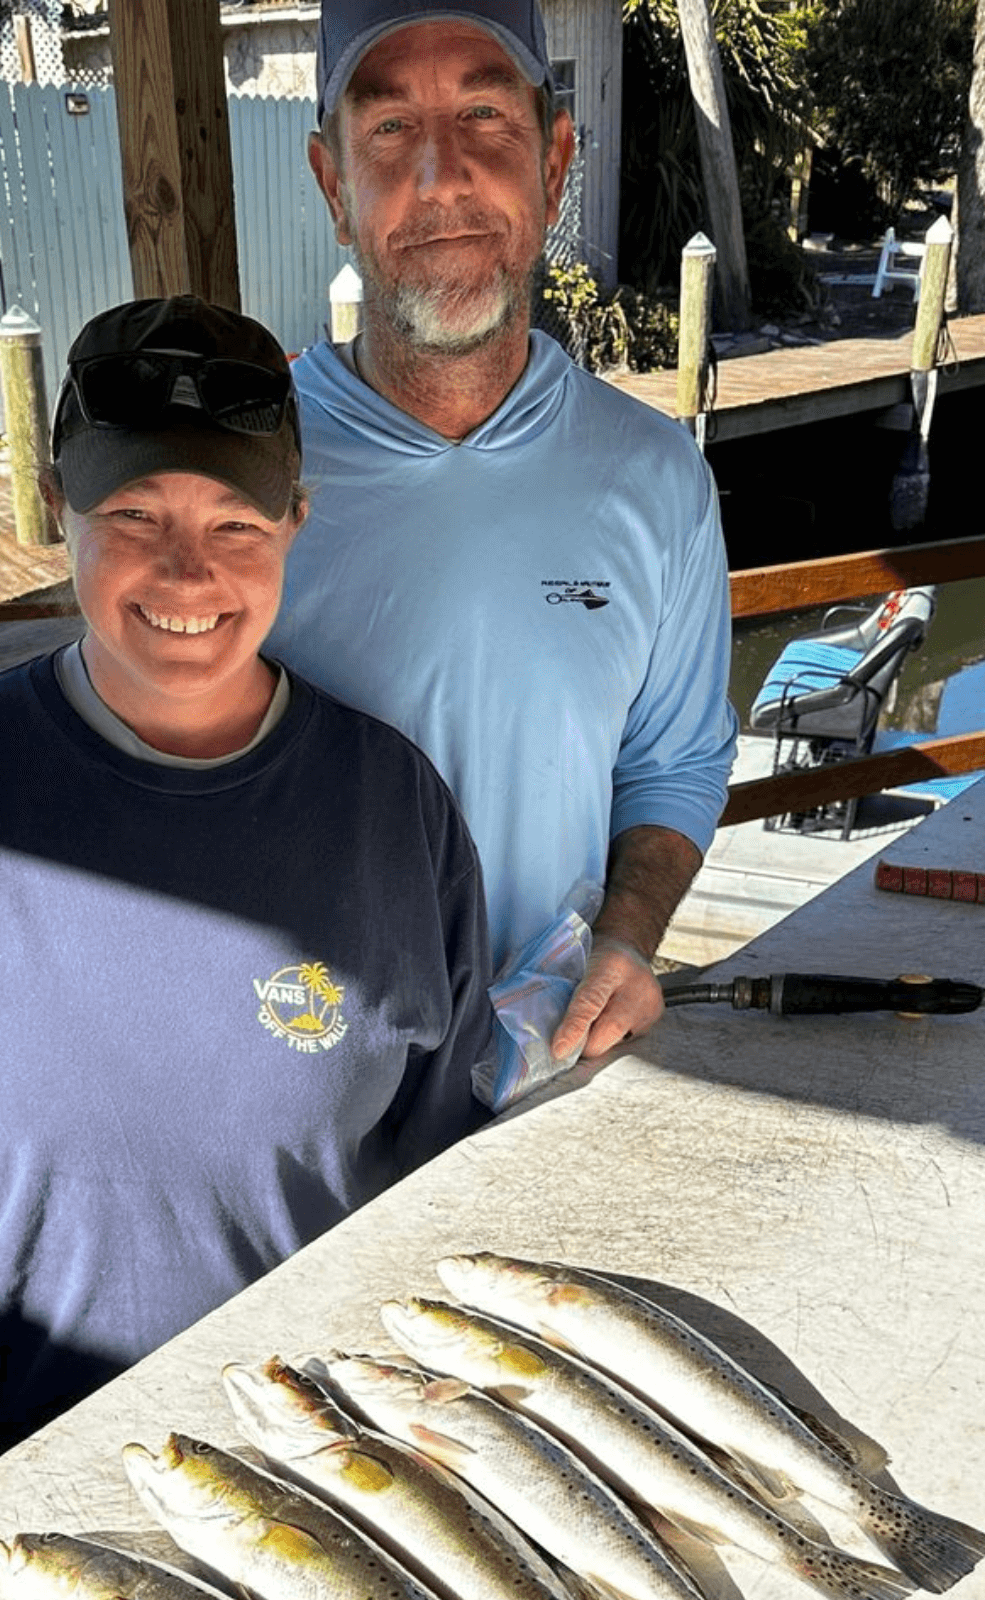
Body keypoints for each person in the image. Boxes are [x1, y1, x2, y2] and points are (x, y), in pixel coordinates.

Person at [0, 295, 494, 1480]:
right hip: (19, 1436)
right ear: (60, 512)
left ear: (296, 524)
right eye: (134, 514)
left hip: (328, 1445)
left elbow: (446, 1126)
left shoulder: (395, 798)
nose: (188, 570)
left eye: (236, 523)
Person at [264, 0, 738, 1069]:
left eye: (485, 115)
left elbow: (676, 761)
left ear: (557, 160)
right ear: (333, 186)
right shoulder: (240, 485)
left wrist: (626, 937)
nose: (441, 177)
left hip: (548, 1063)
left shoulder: (658, 478)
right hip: (297, 1077)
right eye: (388, 130)